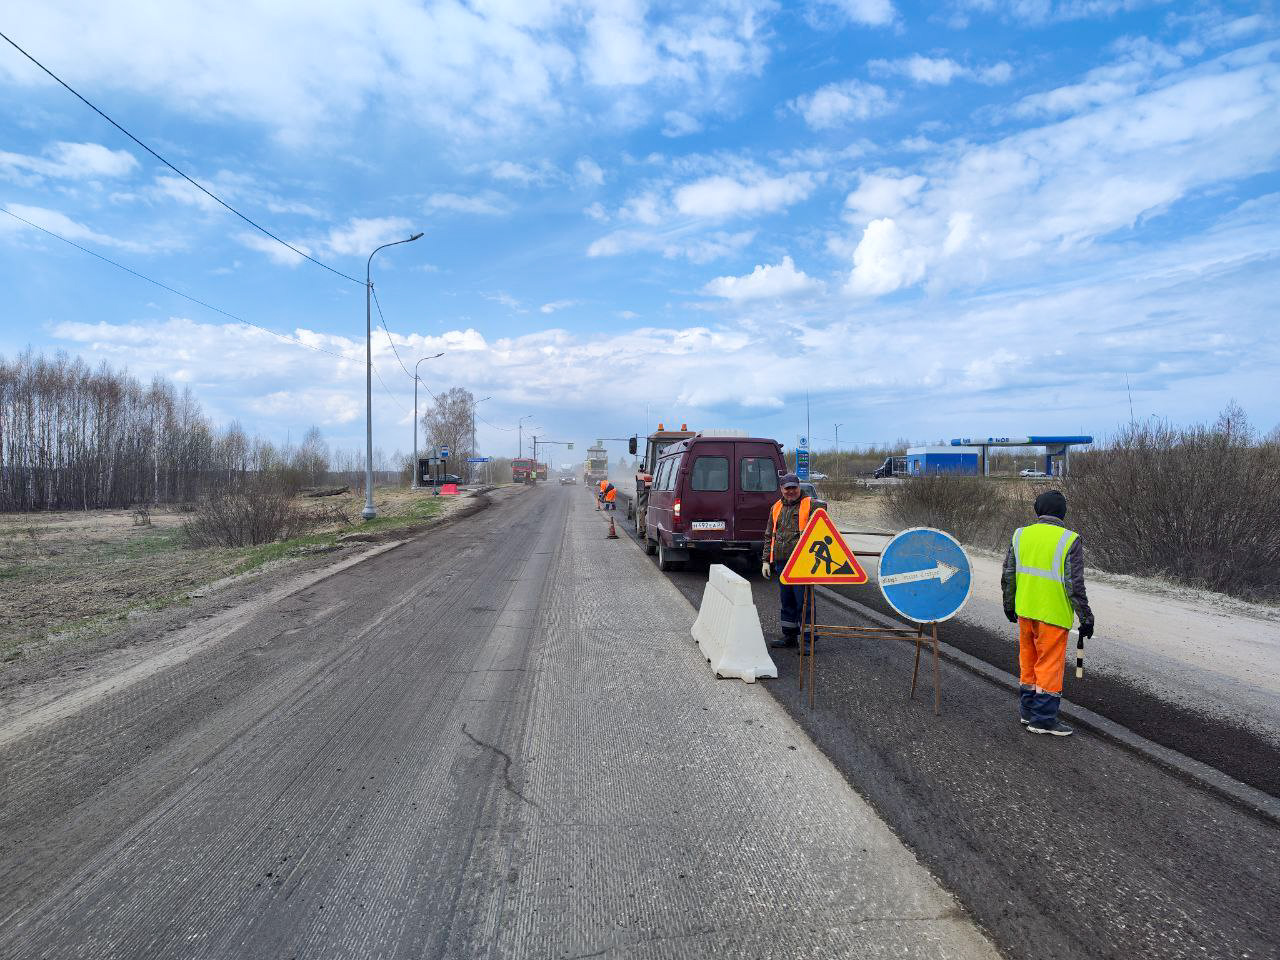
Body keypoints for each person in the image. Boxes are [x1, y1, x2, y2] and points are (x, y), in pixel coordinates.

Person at [1001, 489, 1095, 737]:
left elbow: (1008, 575)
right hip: (1052, 615)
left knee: (1029, 662)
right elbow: (1074, 584)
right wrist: (1086, 618)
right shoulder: (1069, 540)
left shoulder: (1020, 535)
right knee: (1049, 666)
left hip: (1025, 611)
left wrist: (1009, 605)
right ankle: (1043, 720)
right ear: (1062, 513)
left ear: (1038, 510)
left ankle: (1027, 712)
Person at [760, 474, 813, 649]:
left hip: (802, 563)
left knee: (803, 602)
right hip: (782, 561)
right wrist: (766, 560)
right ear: (781, 489)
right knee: (787, 600)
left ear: (799, 487)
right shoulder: (776, 507)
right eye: (787, 488)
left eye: (793, 487)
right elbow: (770, 535)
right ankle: (789, 636)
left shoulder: (811, 504)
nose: (791, 491)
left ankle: (807, 641)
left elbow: (822, 530)